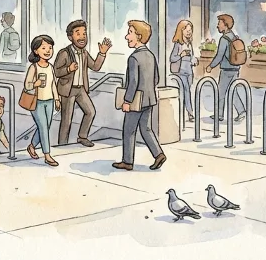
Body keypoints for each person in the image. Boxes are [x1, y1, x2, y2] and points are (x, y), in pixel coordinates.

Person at [113, 20, 166, 172]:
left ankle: (127, 161)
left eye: (130, 33)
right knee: (146, 129)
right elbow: (156, 78)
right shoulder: (150, 55)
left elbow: (133, 82)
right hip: (149, 100)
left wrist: (127, 101)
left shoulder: (134, 58)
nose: (126, 36)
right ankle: (158, 154)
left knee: (129, 130)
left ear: (139, 36)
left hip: (136, 101)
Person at [54, 20, 111, 147]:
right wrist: (68, 69)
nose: (82, 37)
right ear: (70, 37)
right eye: (78, 33)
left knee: (90, 111)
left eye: (84, 34)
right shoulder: (64, 53)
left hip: (80, 89)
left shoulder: (84, 53)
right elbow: (56, 72)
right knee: (66, 120)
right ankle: (62, 144)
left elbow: (95, 67)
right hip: (67, 90)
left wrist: (102, 53)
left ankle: (82, 136)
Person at [24, 35, 60, 167]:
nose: (48, 50)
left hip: (49, 101)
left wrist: (57, 99)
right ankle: (47, 155)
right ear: (36, 51)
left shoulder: (50, 67)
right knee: (43, 127)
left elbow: (53, 85)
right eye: (43, 47)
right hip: (37, 102)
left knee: (45, 127)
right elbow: (27, 85)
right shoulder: (34, 67)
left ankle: (32, 146)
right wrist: (36, 83)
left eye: (50, 48)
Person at [206, 14, 246, 122]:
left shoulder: (224, 39)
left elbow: (219, 55)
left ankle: (219, 114)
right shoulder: (233, 36)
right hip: (235, 68)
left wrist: (211, 66)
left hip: (227, 69)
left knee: (221, 91)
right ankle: (242, 111)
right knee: (233, 91)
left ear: (225, 25)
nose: (217, 26)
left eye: (219, 23)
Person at [170, 20, 199, 122]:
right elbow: (172, 58)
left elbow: (192, 57)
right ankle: (190, 113)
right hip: (181, 71)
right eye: (187, 30)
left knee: (187, 91)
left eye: (190, 30)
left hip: (189, 71)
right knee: (186, 91)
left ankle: (183, 112)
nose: (189, 32)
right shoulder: (178, 44)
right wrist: (180, 55)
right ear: (181, 31)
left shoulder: (189, 43)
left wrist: (194, 60)